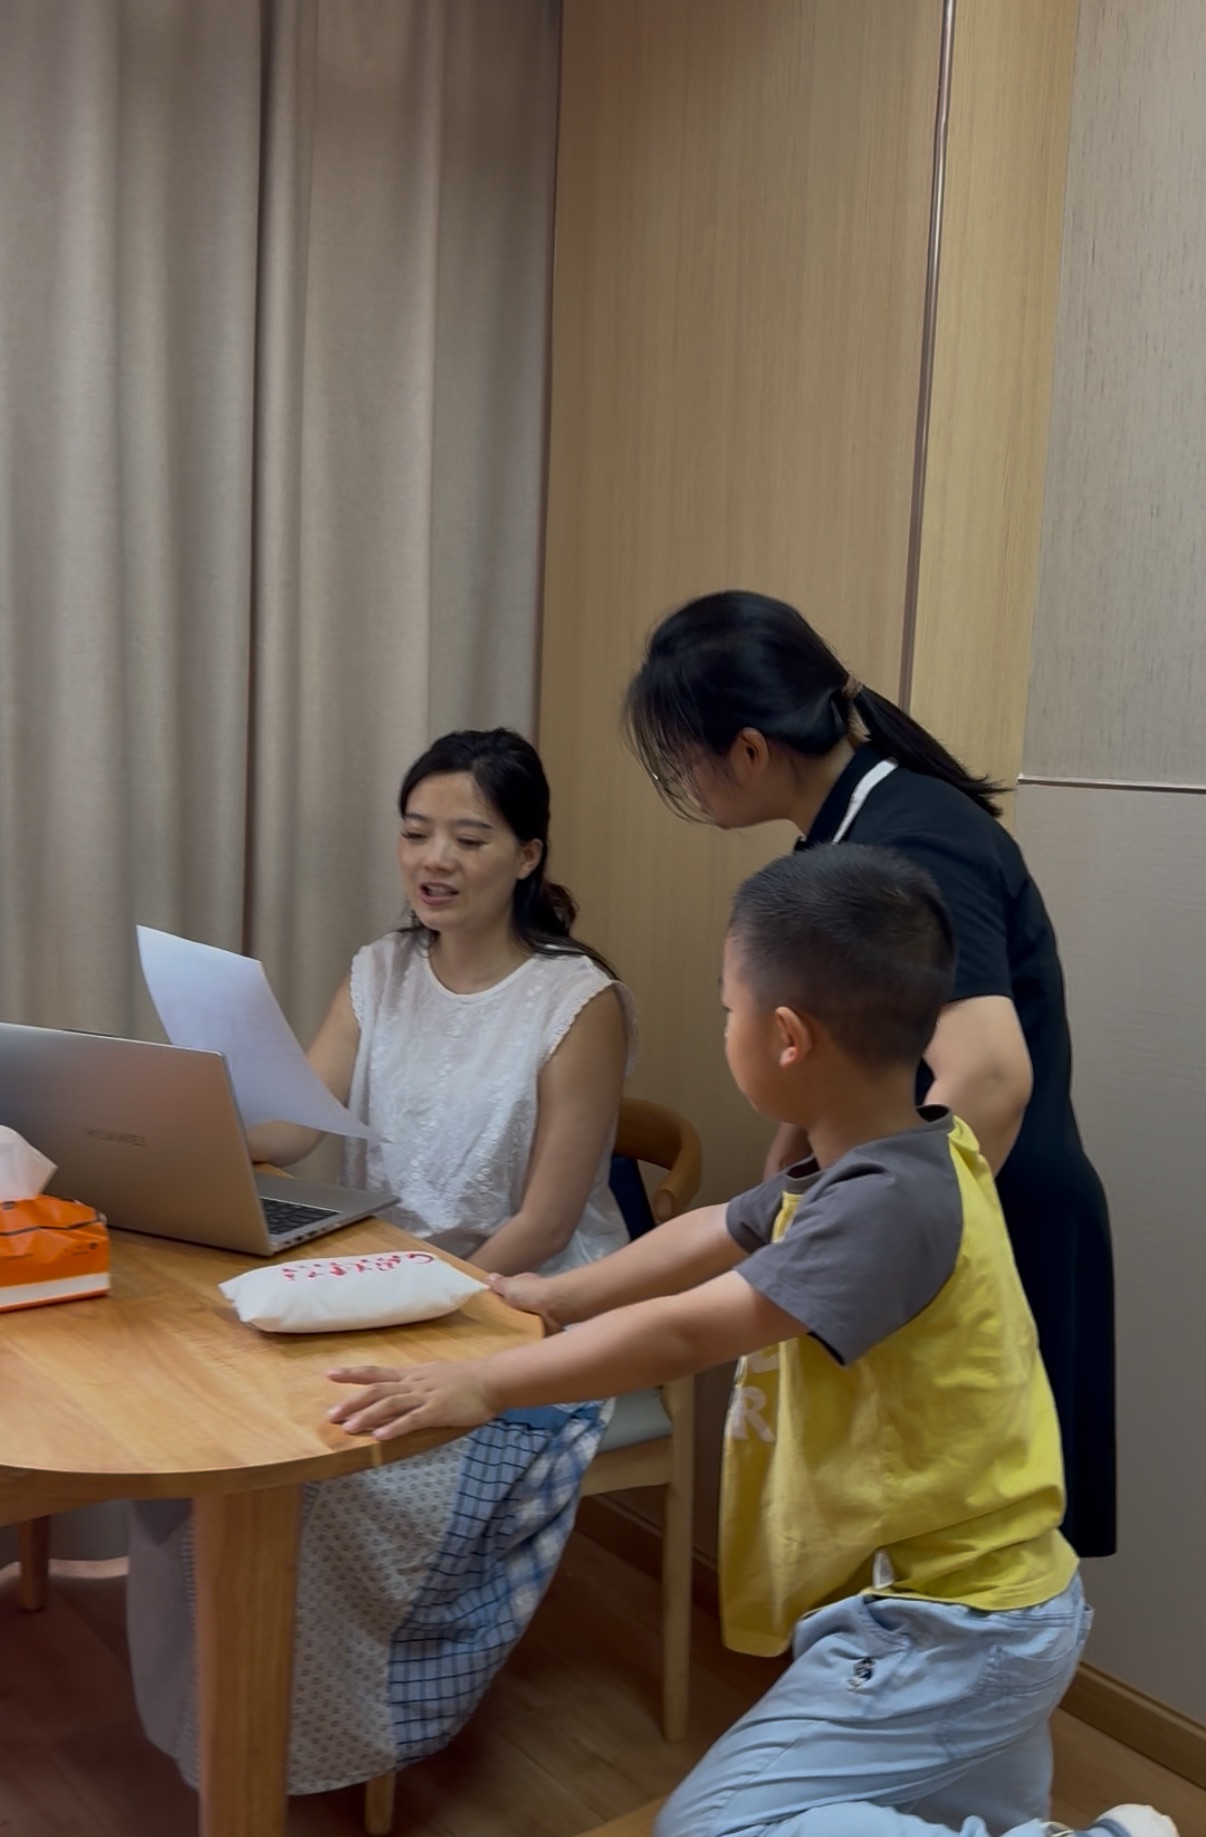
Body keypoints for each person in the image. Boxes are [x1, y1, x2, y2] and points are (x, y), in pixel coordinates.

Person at [326, 847, 1173, 1837]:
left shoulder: (887, 1206)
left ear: (786, 1037)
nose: (723, 1025)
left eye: (728, 1009)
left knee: (710, 1827)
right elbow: (715, 1226)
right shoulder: (892, 1155)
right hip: (994, 1605)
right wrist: (552, 1293)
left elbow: (695, 1324)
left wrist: (488, 1383)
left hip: (948, 1622)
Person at [126, 727, 636, 1795]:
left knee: (326, 1486)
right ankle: (219, 1727)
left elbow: (545, 1223)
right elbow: (293, 1128)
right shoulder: (380, 969)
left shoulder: (578, 1002)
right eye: (415, 833)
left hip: (521, 1303)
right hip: (385, 1277)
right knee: (211, 1441)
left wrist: (435, 1315)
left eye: (468, 838)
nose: (434, 860)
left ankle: (313, 1738)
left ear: (528, 855)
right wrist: (182, 1116)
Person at [621, 588, 1115, 1559]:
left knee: (977, 1556)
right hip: (928, 1209)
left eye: (682, 759)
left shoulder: (913, 834)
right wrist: (795, 1164)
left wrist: (865, 1230)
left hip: (989, 1215)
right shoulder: (848, 829)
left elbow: (987, 1076)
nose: (685, 782)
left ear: (749, 750)